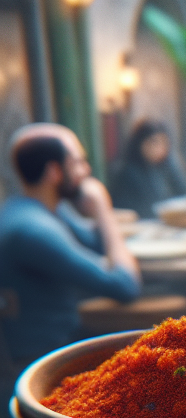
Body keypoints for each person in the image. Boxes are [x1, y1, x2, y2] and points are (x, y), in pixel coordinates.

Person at [0, 124, 141, 361]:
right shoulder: (34, 230)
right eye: (77, 162)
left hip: (63, 339)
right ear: (54, 171)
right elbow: (125, 286)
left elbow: (96, 243)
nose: (86, 171)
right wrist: (102, 207)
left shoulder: (43, 209)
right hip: (46, 359)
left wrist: (99, 214)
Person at [109, 119, 186, 219]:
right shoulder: (128, 173)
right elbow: (143, 209)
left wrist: (173, 165)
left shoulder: (166, 166)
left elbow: (185, 193)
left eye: (164, 143)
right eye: (154, 142)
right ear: (140, 143)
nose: (160, 148)